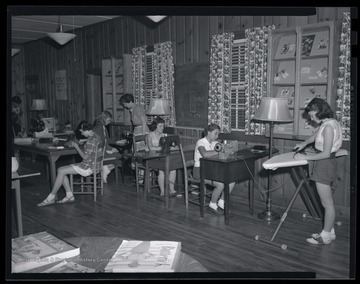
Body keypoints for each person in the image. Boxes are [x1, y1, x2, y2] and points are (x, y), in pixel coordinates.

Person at [293, 98, 343, 245]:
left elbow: (326, 153)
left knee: (327, 203)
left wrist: (306, 157)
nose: (311, 118)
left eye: (313, 115)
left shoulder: (328, 127)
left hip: (324, 163)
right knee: (326, 202)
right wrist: (303, 143)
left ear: (320, 111)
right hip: (323, 163)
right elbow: (315, 136)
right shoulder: (328, 123)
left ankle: (325, 236)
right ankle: (330, 231)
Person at [37, 121, 102, 207]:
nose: (82, 134)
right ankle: (69, 196)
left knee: (61, 171)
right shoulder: (97, 136)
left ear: (85, 129)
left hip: (88, 167)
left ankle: (51, 197)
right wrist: (85, 142)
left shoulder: (90, 141)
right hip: (95, 166)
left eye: (82, 131)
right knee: (60, 170)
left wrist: (76, 147)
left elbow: (85, 157)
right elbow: (92, 149)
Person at [193, 123, 236, 215]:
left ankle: (221, 201)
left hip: (211, 170)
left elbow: (222, 151)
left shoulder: (214, 143)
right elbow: (205, 154)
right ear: (208, 132)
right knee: (220, 184)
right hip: (199, 171)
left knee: (232, 180)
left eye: (218, 134)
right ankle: (212, 205)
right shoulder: (201, 142)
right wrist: (219, 151)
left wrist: (229, 148)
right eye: (215, 133)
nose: (217, 136)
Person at [146, 116, 177, 196]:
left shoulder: (164, 135)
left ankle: (171, 189)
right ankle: (162, 191)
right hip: (151, 158)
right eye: (160, 126)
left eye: (163, 126)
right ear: (155, 126)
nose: (162, 128)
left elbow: (170, 146)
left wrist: (173, 146)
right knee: (161, 169)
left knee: (173, 169)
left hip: (161, 157)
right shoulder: (150, 135)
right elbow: (151, 148)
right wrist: (163, 147)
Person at [92, 110, 119, 183]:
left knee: (117, 155)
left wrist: (117, 142)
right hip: (98, 152)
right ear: (103, 119)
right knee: (117, 156)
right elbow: (102, 142)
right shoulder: (98, 128)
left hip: (102, 149)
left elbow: (107, 140)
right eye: (108, 120)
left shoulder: (103, 127)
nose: (109, 122)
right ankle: (104, 170)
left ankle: (105, 169)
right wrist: (110, 149)